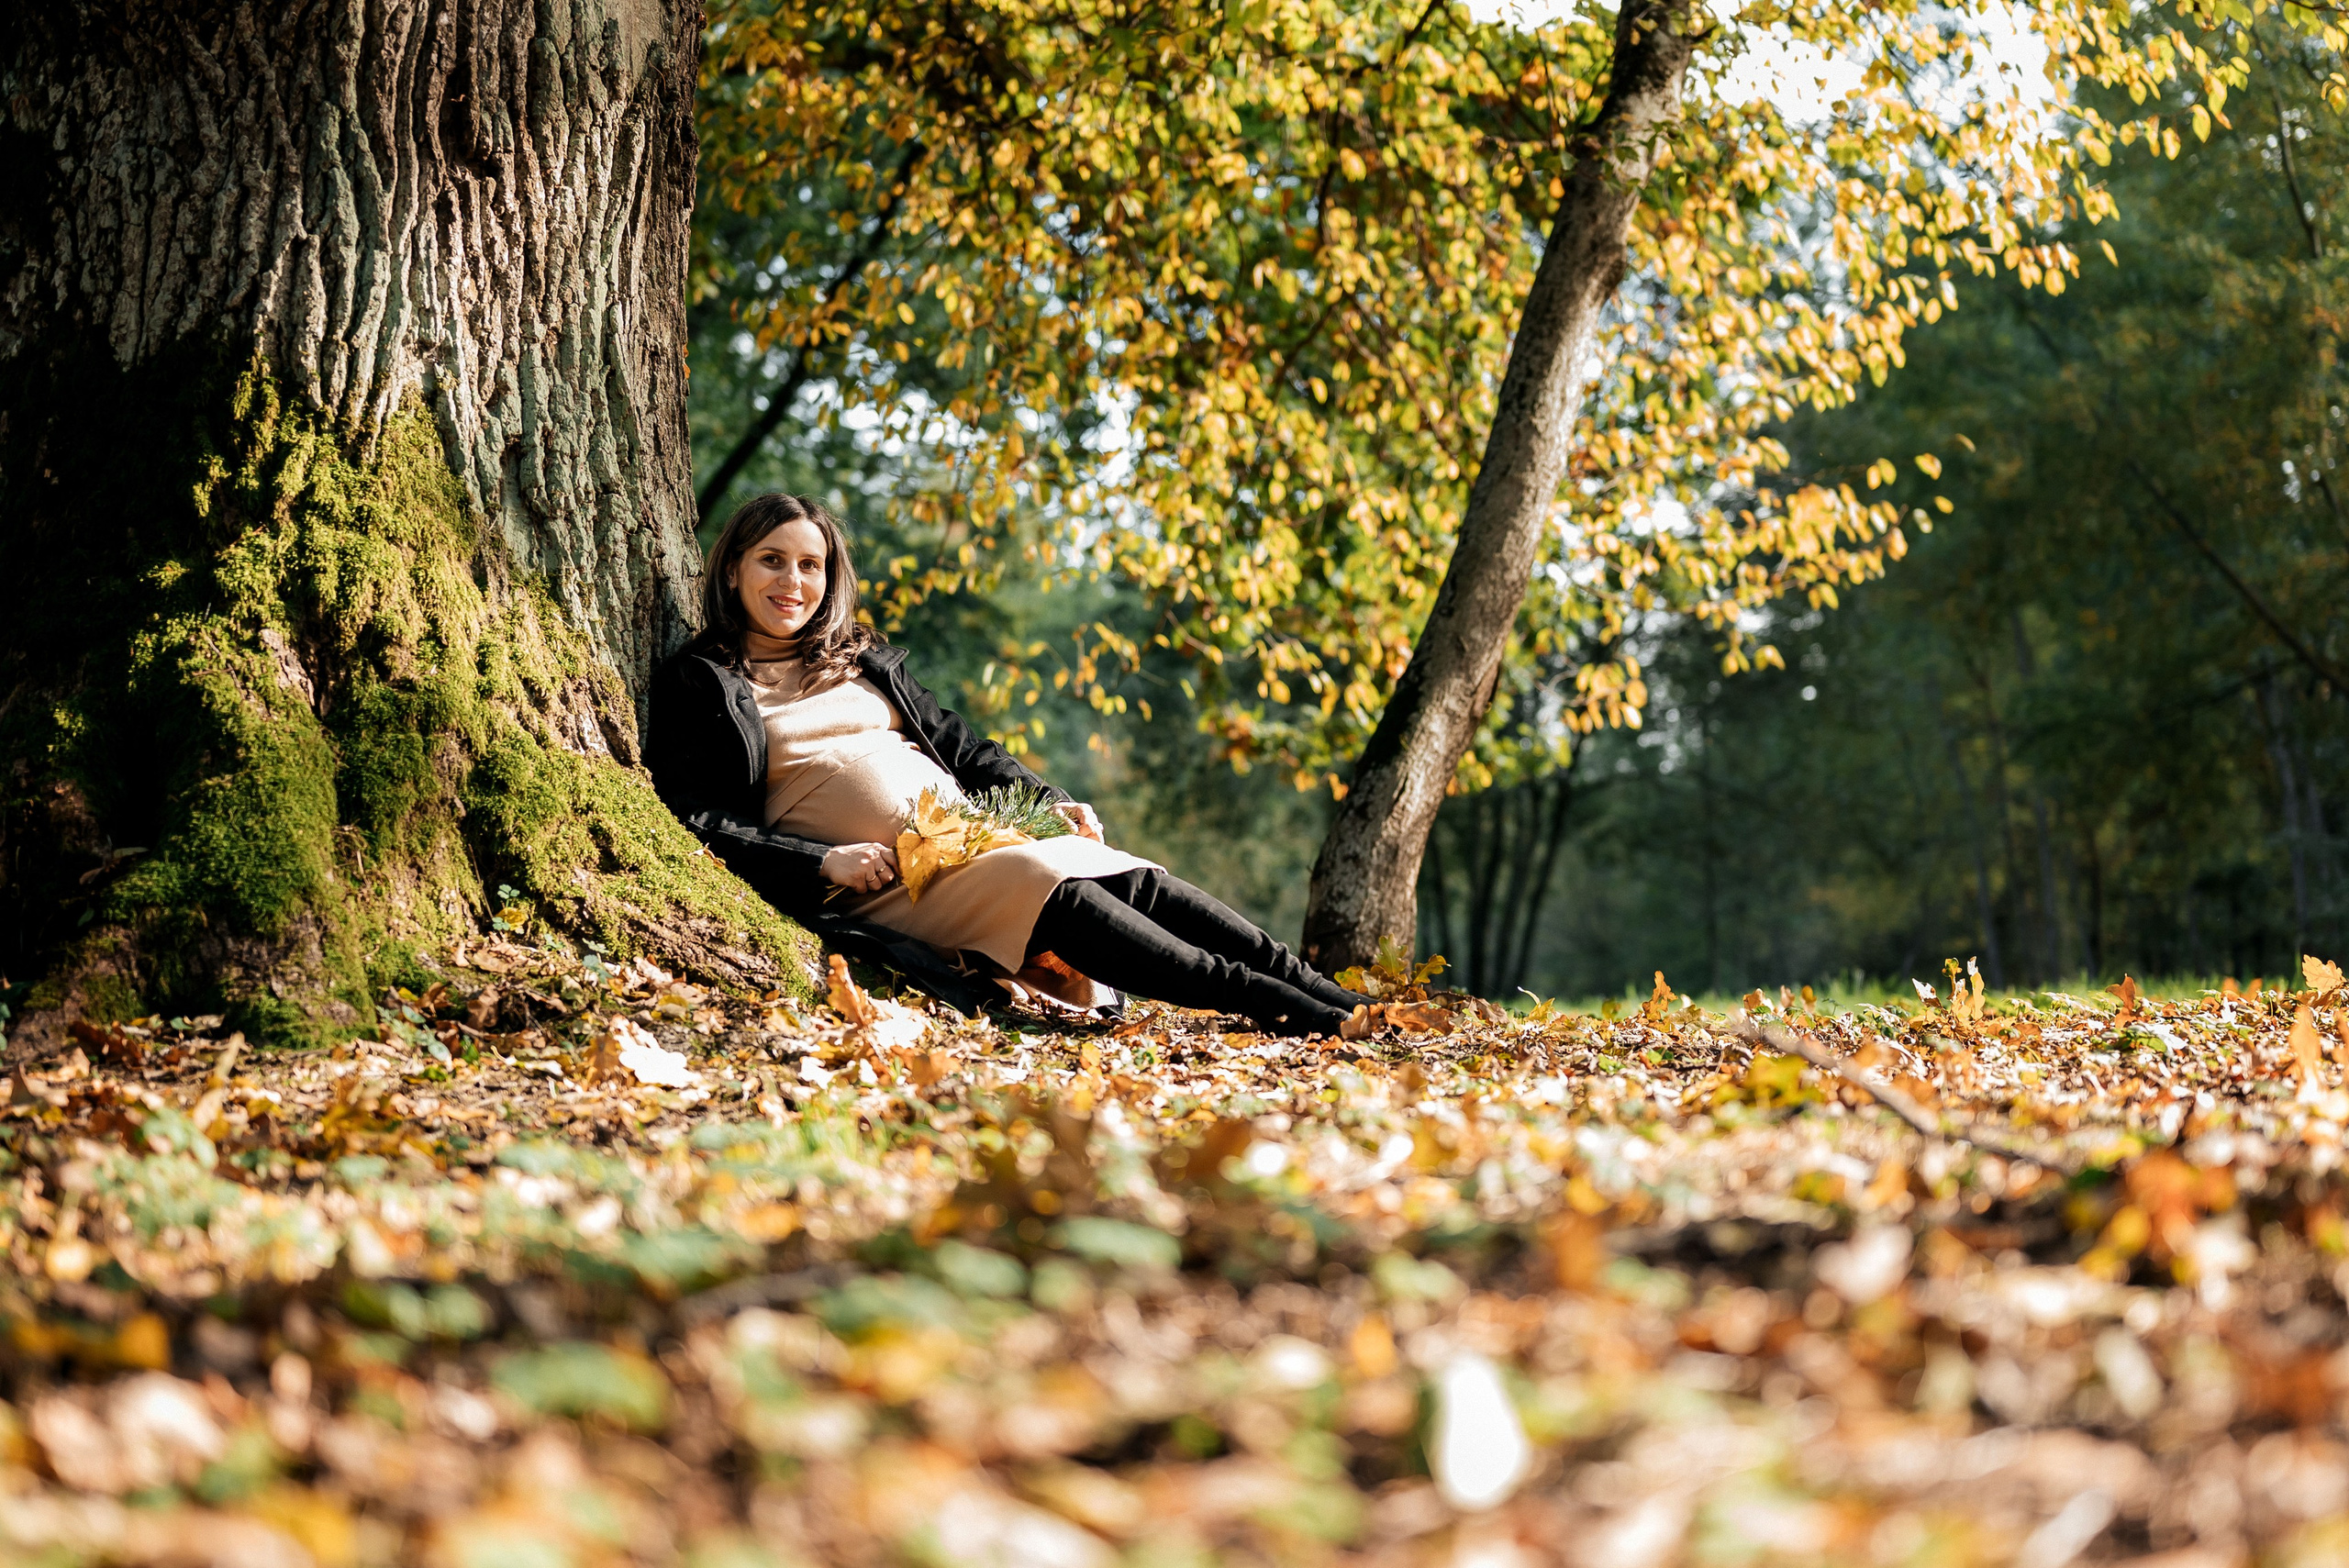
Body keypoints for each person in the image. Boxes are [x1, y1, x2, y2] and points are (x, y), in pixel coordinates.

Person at [648, 494, 1370, 1036]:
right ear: (735, 566)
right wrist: (822, 861)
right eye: (772, 560)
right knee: (1048, 883)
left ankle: (1334, 997)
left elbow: (963, 746)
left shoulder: (859, 658)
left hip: (974, 838)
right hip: (893, 884)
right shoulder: (705, 680)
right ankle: (1285, 1007)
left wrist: (1046, 796)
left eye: (811, 564)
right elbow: (699, 818)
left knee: (1125, 871)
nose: (792, 582)